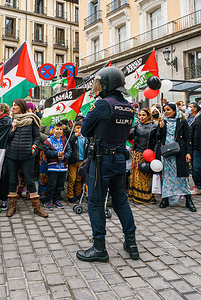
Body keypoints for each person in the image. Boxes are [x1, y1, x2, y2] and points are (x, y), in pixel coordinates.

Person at [76, 66, 139, 262]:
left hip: (102, 160)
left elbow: (85, 130)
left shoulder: (102, 104)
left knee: (95, 202)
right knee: (121, 200)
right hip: (120, 159)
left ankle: (99, 248)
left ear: (108, 83)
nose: (97, 86)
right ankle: (131, 244)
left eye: (100, 82)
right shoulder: (128, 106)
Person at [5, 99, 48, 218]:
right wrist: (12, 130)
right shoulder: (11, 120)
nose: (12, 108)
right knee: (13, 180)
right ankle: (12, 206)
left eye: (15, 106)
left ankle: (37, 207)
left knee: (30, 180)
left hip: (27, 155)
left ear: (21, 107)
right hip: (12, 155)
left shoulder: (31, 120)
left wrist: (33, 146)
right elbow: (7, 139)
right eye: (12, 105)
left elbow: (37, 136)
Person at [157, 103, 196, 212]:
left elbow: (188, 138)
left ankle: (188, 200)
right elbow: (158, 138)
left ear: (175, 111)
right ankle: (165, 199)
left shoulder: (182, 122)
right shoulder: (162, 122)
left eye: (168, 110)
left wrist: (188, 153)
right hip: (166, 153)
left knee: (182, 177)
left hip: (179, 153)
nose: (166, 112)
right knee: (167, 177)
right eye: (165, 110)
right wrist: (160, 128)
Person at [128, 108, 157, 204]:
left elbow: (157, 139)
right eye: (140, 115)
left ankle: (148, 196)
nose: (141, 117)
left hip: (148, 154)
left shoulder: (154, 126)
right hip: (137, 153)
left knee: (146, 175)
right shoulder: (137, 125)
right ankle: (136, 196)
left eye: (144, 115)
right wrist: (129, 130)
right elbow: (131, 137)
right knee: (137, 176)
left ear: (149, 116)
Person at [42, 122, 72, 209]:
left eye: (60, 129)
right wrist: (57, 154)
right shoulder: (49, 140)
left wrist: (63, 157)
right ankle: (48, 200)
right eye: (57, 129)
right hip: (53, 167)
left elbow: (69, 150)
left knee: (60, 185)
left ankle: (56, 200)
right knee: (52, 184)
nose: (59, 131)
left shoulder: (64, 140)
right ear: (52, 130)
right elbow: (47, 151)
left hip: (63, 167)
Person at [67, 122, 88, 203]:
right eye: (77, 128)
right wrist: (74, 136)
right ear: (74, 129)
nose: (79, 130)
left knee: (79, 178)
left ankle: (78, 194)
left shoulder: (85, 138)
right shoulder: (72, 137)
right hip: (73, 161)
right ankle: (70, 195)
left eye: (81, 128)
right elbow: (70, 143)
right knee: (72, 178)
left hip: (81, 161)